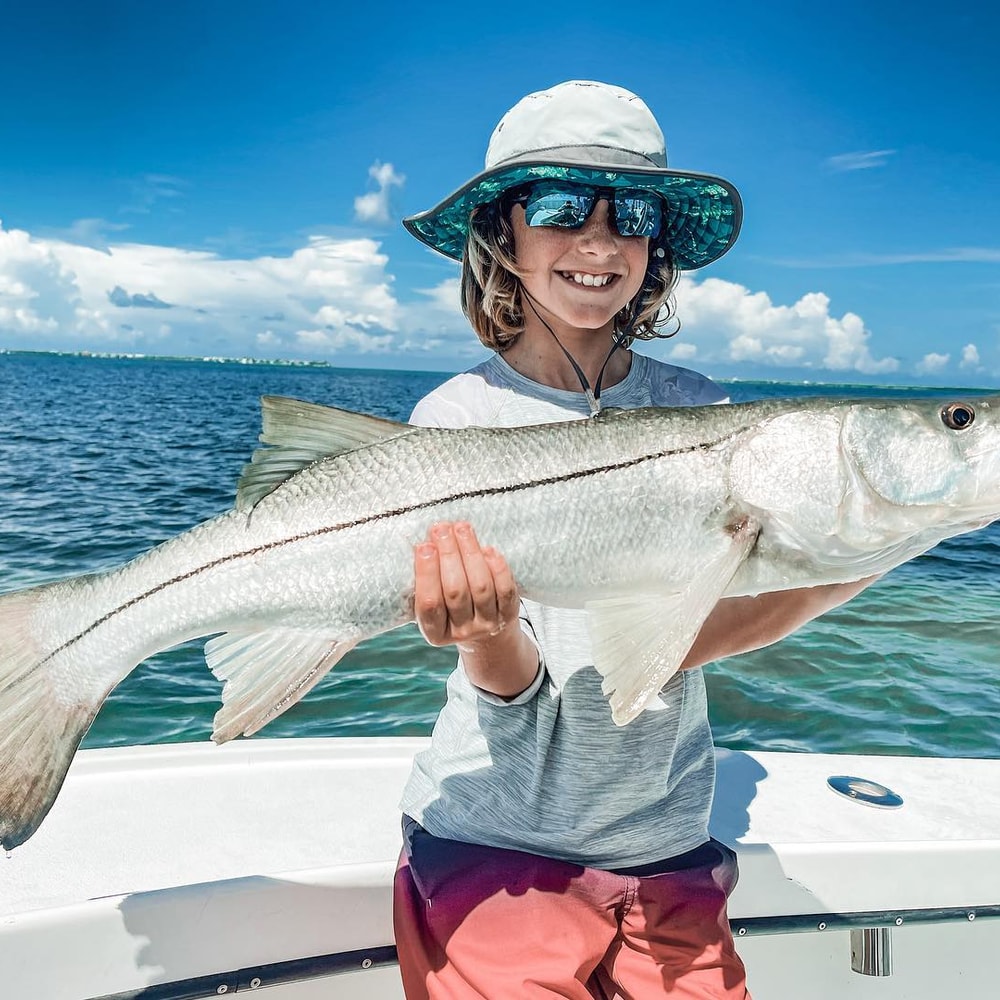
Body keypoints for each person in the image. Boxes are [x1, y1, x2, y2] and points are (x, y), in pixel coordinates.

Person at [393, 79, 872, 999]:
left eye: (633, 214)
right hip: (494, 848)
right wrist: (486, 631)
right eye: (563, 206)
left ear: (656, 246)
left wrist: (856, 551)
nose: (599, 240)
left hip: (669, 848)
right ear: (504, 232)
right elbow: (510, 685)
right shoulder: (455, 418)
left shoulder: (704, 409)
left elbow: (690, 636)